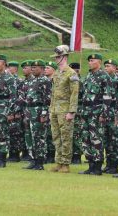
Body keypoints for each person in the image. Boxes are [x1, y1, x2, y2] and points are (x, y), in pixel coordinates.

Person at [79, 54, 113, 176]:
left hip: (97, 111)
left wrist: (104, 113)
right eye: (89, 61)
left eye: (92, 60)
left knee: (96, 139)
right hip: (86, 111)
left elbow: (108, 96)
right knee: (86, 138)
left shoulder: (104, 76)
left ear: (99, 62)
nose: (89, 62)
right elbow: (83, 94)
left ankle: (97, 166)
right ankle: (90, 164)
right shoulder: (88, 75)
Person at [49, 45, 79, 173]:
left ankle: (65, 163)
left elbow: (74, 93)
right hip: (55, 108)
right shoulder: (56, 73)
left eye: (59, 56)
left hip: (65, 109)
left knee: (66, 136)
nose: (56, 59)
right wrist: (51, 108)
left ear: (65, 57)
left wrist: (71, 111)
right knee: (56, 136)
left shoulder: (71, 73)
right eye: (56, 56)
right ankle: (58, 161)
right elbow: (53, 92)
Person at [23, 60, 52, 170]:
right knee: (30, 136)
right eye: (32, 67)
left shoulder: (45, 81)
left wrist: (44, 114)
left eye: (35, 67)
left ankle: (39, 161)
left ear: (41, 68)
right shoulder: (32, 80)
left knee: (39, 137)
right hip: (30, 110)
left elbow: (48, 99)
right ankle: (33, 159)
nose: (33, 69)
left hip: (39, 111)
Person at [69, 62, 83, 164]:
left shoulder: (81, 81)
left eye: (76, 70)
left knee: (77, 133)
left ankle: (77, 155)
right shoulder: (69, 81)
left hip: (79, 110)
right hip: (69, 109)